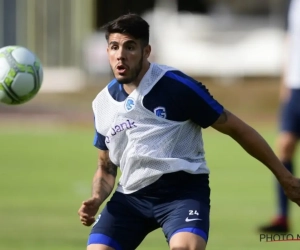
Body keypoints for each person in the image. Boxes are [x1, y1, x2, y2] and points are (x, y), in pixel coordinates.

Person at [78, 13, 300, 250]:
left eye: (130, 47)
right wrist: (96, 198)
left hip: (181, 193)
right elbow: (106, 167)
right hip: (131, 198)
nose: (120, 55)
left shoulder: (176, 86)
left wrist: (284, 177)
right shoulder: (102, 104)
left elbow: (237, 129)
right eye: (114, 47)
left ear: (146, 51)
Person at [259, 0, 300, 233]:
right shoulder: (291, 4)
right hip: (295, 88)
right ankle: (282, 218)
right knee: (284, 146)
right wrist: (286, 80)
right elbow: (291, 41)